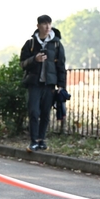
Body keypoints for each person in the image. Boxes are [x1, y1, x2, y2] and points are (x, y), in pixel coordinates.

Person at [20, 14, 67, 152]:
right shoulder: (30, 44)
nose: (47, 27)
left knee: (46, 113)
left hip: (49, 85)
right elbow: (22, 64)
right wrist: (35, 59)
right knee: (34, 112)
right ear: (38, 26)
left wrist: (61, 86)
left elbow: (61, 66)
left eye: (49, 24)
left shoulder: (57, 44)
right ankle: (33, 141)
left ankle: (41, 140)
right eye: (44, 24)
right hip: (34, 84)